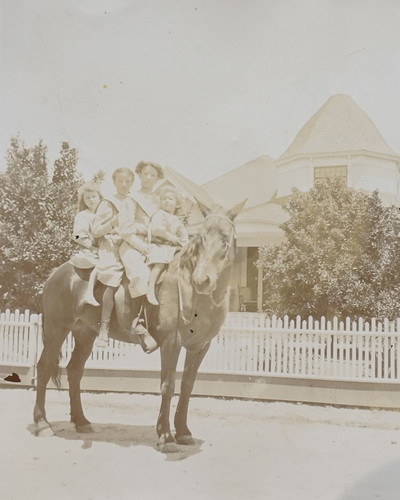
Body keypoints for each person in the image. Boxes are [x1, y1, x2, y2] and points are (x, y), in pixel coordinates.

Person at [119, 161, 163, 353]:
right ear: (139, 175)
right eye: (145, 174)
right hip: (132, 245)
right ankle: (139, 322)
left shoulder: (160, 200)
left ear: (157, 178)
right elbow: (125, 230)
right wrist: (142, 247)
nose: (148, 178)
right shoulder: (132, 199)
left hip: (155, 245)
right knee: (141, 274)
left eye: (152, 175)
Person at [92, 167, 135, 348]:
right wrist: (113, 223)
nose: (124, 184)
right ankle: (105, 326)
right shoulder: (108, 203)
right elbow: (95, 230)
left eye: (127, 181)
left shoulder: (134, 202)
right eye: (120, 181)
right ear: (115, 182)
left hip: (132, 245)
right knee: (112, 278)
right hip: (111, 247)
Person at [146, 186, 189, 305]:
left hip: (171, 249)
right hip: (159, 246)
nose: (166, 201)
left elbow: (183, 235)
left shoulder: (177, 220)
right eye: (164, 199)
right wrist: (172, 238)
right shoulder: (159, 214)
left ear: (177, 204)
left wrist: (186, 244)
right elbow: (157, 230)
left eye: (170, 199)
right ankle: (150, 288)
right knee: (160, 263)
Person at [69, 182, 102, 306]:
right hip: (89, 250)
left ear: (99, 197)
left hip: (105, 248)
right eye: (87, 198)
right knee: (102, 264)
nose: (91, 200)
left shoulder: (104, 214)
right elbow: (76, 236)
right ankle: (89, 293)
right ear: (83, 200)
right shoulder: (83, 216)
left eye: (94, 196)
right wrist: (92, 247)